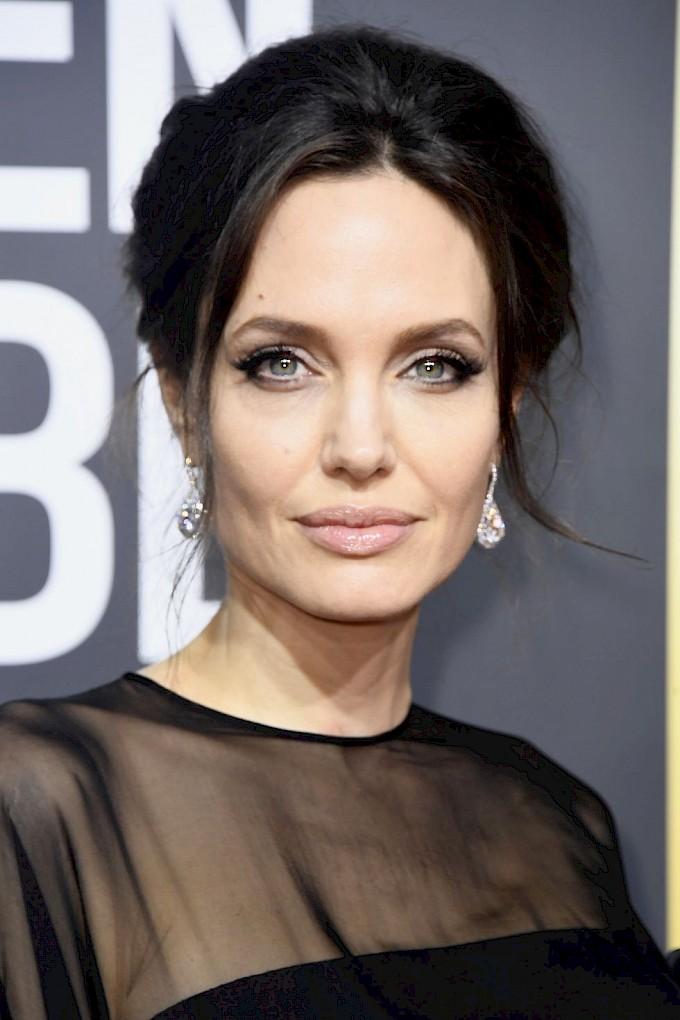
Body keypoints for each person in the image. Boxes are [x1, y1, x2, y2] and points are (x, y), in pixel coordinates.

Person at [0, 21, 678, 1019]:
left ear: (506, 405)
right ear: (185, 404)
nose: (360, 446)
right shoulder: (37, 807)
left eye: (434, 366)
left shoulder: (560, 818)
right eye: (281, 362)